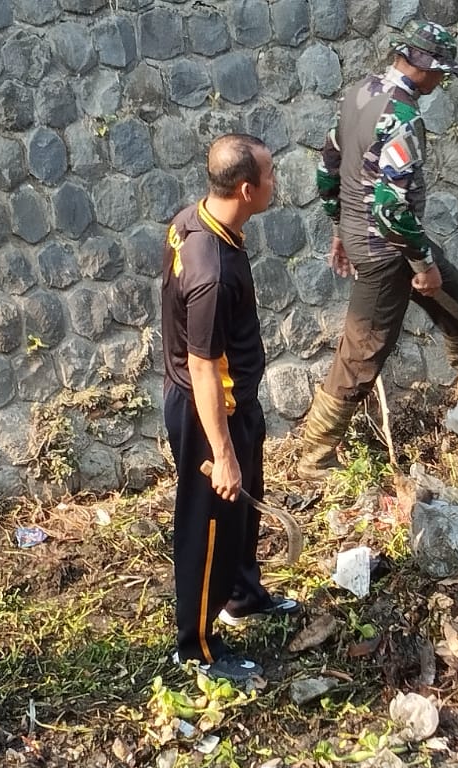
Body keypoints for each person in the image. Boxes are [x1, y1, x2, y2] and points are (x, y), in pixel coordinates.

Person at [298, 20, 458, 480]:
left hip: (365, 232)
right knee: (364, 348)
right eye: (441, 74)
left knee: (452, 287)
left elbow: (328, 165)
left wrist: (339, 226)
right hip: (386, 248)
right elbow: (392, 209)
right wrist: (420, 264)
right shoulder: (404, 119)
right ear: (425, 69)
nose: (441, 83)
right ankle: (315, 455)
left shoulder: (360, 93)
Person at [161, 134, 300, 686]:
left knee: (245, 503)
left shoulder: (194, 219)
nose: (275, 183)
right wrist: (221, 454)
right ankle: (194, 646)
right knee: (208, 525)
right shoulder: (211, 272)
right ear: (247, 189)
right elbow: (201, 368)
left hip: (233, 401)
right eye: (270, 176)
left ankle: (242, 593)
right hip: (206, 411)